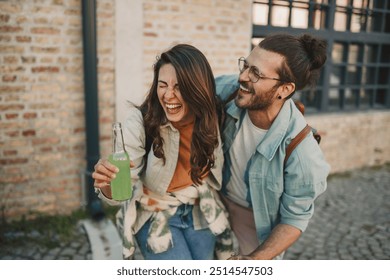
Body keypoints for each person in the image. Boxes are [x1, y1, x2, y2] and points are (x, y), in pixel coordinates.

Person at [92, 44, 232, 260]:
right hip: (156, 211)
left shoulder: (212, 115)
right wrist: (108, 185)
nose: (168, 95)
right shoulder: (140, 121)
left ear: (197, 89)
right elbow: (120, 190)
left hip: (200, 210)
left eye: (179, 87)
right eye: (162, 85)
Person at [215, 33, 331, 260]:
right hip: (214, 205)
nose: (242, 77)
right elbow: (175, 96)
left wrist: (253, 260)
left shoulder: (303, 153)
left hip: (256, 227)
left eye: (256, 73)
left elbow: (294, 220)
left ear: (285, 90)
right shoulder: (228, 91)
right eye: (246, 66)